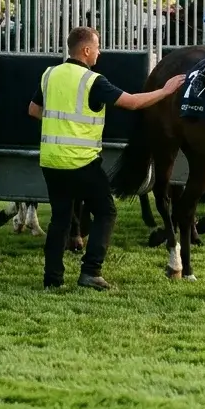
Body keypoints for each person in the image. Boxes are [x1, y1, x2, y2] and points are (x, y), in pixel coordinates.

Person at [27, 26, 186, 290]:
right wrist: (166, 91)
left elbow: (33, 110)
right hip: (81, 161)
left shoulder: (50, 74)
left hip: (51, 160)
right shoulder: (92, 81)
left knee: (60, 219)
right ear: (86, 50)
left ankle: (52, 279)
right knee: (106, 211)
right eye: (97, 48)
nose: (99, 53)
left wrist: (62, 123)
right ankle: (91, 271)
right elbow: (134, 102)